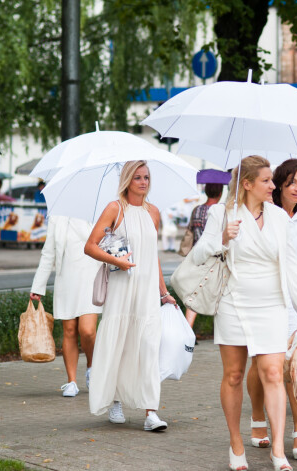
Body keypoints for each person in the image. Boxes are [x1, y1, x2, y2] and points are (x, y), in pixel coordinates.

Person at [192, 155, 297, 471]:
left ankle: (278, 450)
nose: (273, 186)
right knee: (233, 375)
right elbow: (198, 254)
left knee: (274, 373)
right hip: (233, 302)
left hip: (273, 303)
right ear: (246, 184)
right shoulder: (221, 213)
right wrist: (222, 239)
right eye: (266, 181)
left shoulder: (279, 217)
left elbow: (291, 267)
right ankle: (236, 444)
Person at [85, 160, 175, 432]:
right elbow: (90, 246)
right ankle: (115, 401)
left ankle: (151, 413)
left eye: (146, 177)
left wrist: (164, 291)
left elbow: (153, 256)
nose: (143, 182)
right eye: (137, 177)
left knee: (149, 346)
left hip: (146, 290)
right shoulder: (115, 208)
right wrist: (120, 262)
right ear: (127, 180)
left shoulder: (154, 212)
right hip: (122, 288)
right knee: (120, 344)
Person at [246, 159, 297, 460]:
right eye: (292, 183)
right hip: (267, 297)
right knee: (262, 366)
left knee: (296, 367)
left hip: (296, 300)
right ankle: (258, 418)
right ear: (280, 184)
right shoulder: (264, 214)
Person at [30, 216, 102, 397]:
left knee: (87, 331)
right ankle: (71, 382)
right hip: (66, 280)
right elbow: (48, 253)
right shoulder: (58, 218)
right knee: (69, 330)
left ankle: (92, 367)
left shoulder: (98, 213)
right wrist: (38, 286)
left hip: (92, 279)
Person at [185, 180, 224, 328]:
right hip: (213, 259)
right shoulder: (219, 212)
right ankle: (220, 328)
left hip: (196, 257)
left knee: (193, 295)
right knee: (217, 295)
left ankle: (188, 328)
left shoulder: (196, 210)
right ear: (220, 193)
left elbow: (190, 229)